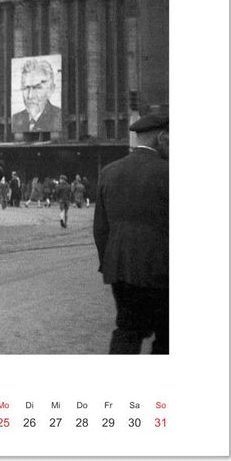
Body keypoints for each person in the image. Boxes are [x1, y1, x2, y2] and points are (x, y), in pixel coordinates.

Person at [93, 113, 169, 354]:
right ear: (162, 137)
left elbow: (100, 228)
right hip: (162, 271)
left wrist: (109, 262)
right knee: (167, 337)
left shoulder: (109, 171)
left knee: (127, 330)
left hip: (120, 269)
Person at [11, 58, 62, 133]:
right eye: (26, 88)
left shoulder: (58, 117)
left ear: (50, 89)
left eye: (37, 88)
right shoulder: (16, 119)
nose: (30, 96)